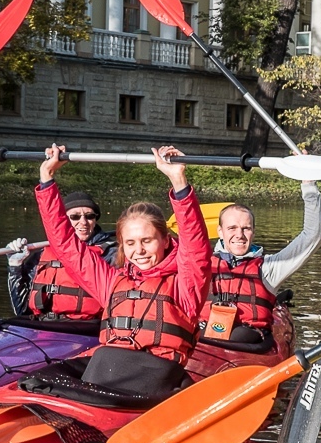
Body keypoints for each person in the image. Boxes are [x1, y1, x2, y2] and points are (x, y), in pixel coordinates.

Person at [36, 143, 211, 396]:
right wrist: (46, 179)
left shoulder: (185, 284)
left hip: (151, 386)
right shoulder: (111, 282)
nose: (138, 250)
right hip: (105, 378)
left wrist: (178, 182)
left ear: (165, 240)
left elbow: (195, 245)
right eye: (130, 243)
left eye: (146, 241)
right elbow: (65, 244)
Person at [200, 182, 321, 347]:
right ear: (220, 232)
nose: (239, 235)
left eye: (246, 228)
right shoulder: (202, 263)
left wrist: (309, 185)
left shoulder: (269, 267)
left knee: (238, 334)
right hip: (202, 337)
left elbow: (313, 236)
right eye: (232, 228)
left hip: (247, 344)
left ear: (254, 232)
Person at [4, 191, 116, 321]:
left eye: (90, 216)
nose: (83, 222)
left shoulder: (111, 254)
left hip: (87, 328)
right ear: (62, 220)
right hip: (43, 325)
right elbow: (21, 310)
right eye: (74, 217)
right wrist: (15, 266)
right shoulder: (42, 255)